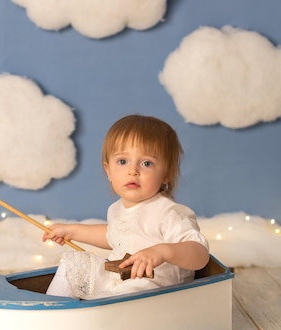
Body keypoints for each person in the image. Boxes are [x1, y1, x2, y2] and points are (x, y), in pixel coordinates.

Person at [43, 114, 209, 298]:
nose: (133, 171)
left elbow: (200, 254)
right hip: (118, 278)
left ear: (166, 175)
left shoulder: (169, 213)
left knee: (121, 296)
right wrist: (73, 231)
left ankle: (97, 316)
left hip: (155, 288)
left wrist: (163, 251)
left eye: (147, 163)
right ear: (109, 170)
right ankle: (52, 311)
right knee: (73, 264)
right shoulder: (116, 209)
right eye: (122, 162)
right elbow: (114, 235)